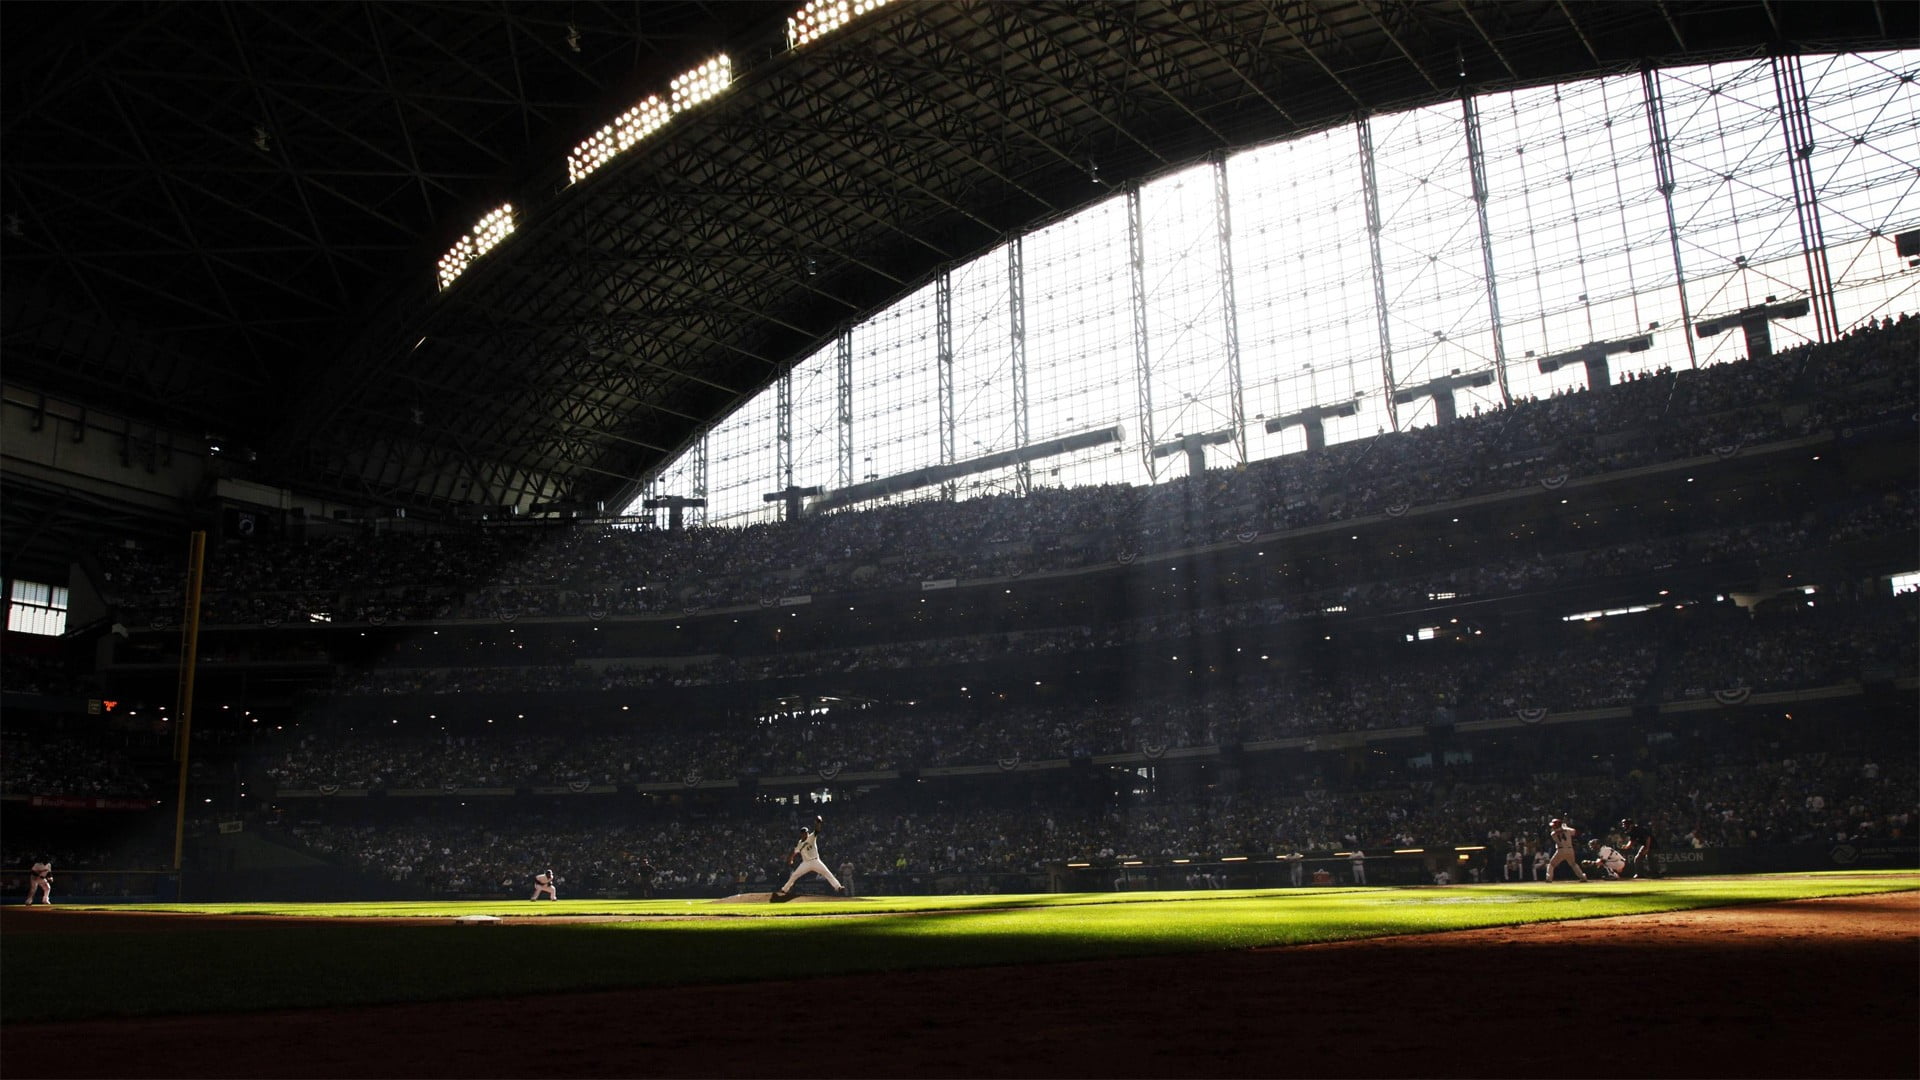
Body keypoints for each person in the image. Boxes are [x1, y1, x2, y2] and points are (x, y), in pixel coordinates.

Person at [771, 815, 845, 902]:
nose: (806, 833)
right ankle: (784, 889)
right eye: (804, 832)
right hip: (806, 863)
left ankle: (838, 887)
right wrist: (791, 859)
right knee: (795, 875)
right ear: (801, 834)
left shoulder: (811, 837)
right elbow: (794, 852)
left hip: (816, 861)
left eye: (806, 832)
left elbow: (817, 830)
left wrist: (818, 822)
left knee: (827, 873)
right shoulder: (800, 843)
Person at [1544, 817, 1587, 882]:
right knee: (1573, 864)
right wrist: (1566, 827)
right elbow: (1575, 832)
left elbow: (1560, 831)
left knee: (1551, 864)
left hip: (1561, 850)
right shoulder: (1567, 830)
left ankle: (1549, 878)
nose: (1552, 827)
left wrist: (1564, 827)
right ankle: (1583, 877)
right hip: (1570, 849)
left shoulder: (1553, 833)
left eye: (1554, 825)